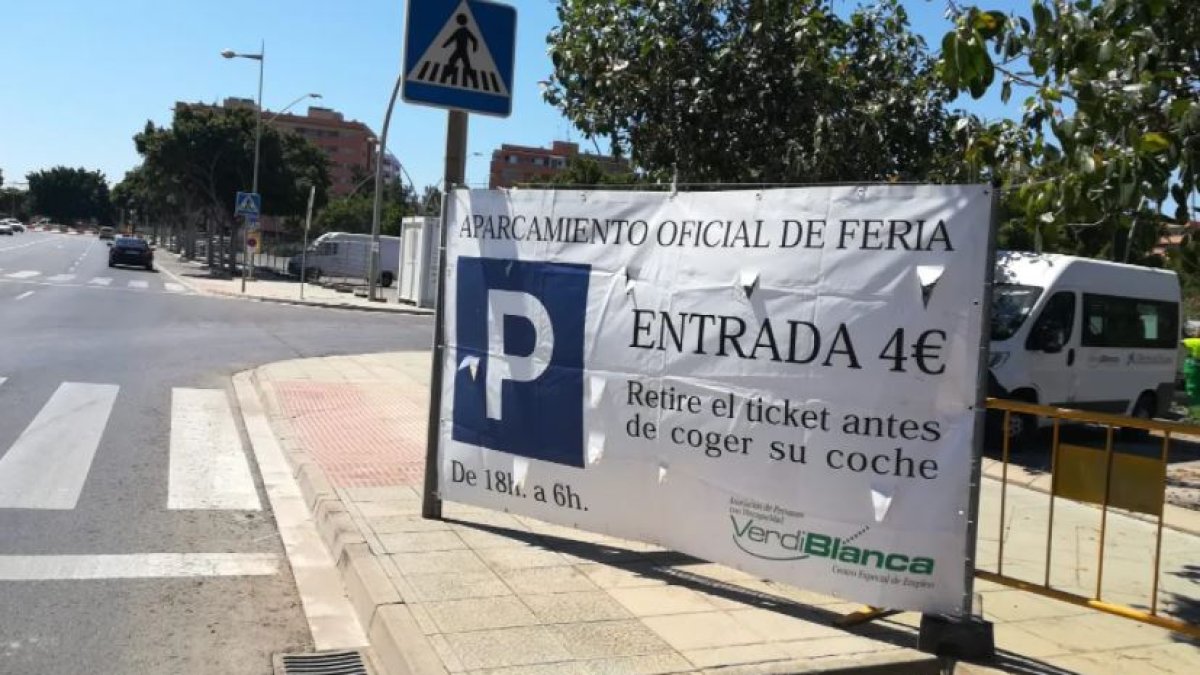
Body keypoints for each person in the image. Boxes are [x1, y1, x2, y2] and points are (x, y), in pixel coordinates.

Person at [441, 14, 479, 88]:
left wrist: (474, 48)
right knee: (452, 60)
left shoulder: (463, 31)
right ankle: (450, 72)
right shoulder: (461, 31)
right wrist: (445, 45)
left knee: (465, 64)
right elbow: (452, 38)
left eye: (458, 20)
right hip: (459, 50)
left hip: (462, 50)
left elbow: (474, 40)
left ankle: (473, 78)